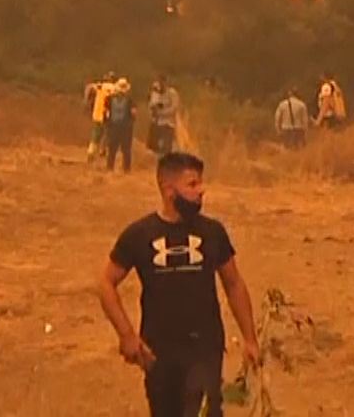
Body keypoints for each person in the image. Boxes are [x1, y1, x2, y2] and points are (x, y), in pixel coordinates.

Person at [96, 151, 259, 417]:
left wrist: (250, 339)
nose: (201, 190)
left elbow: (233, 284)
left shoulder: (212, 232)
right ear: (168, 189)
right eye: (192, 184)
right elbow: (106, 283)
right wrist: (126, 335)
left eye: (200, 183)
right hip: (158, 352)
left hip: (204, 347)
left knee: (202, 408)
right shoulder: (140, 234)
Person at [104, 77, 136, 172]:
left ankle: (112, 167)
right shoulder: (129, 100)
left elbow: (106, 112)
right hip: (121, 127)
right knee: (122, 149)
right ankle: (125, 168)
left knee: (115, 148)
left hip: (117, 126)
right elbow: (133, 113)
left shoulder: (110, 99)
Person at [86, 72, 118, 161]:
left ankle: (91, 151)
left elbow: (89, 87)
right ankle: (102, 149)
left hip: (97, 113)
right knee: (108, 133)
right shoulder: (114, 88)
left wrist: (87, 101)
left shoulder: (100, 86)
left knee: (95, 135)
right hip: (107, 114)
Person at [148, 76, 180, 155]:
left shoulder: (172, 93)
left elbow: (174, 108)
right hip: (157, 123)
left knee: (166, 147)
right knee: (154, 147)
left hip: (168, 123)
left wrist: (162, 113)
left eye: (162, 83)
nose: (161, 85)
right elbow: (151, 106)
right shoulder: (156, 94)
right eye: (159, 83)